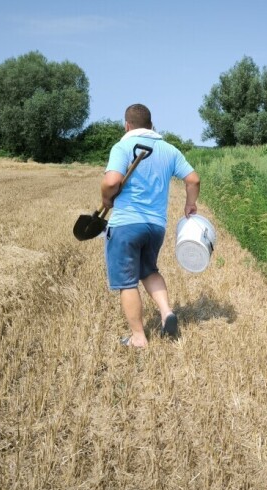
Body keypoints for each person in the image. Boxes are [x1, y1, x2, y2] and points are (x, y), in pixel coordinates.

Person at [101, 103, 200, 348]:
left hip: (126, 224)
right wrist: (190, 204)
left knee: (127, 281)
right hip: (155, 226)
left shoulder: (123, 146)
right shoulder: (169, 150)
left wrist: (105, 199)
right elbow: (193, 179)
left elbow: (112, 181)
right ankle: (167, 312)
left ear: (127, 125)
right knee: (148, 270)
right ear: (151, 124)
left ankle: (138, 337)